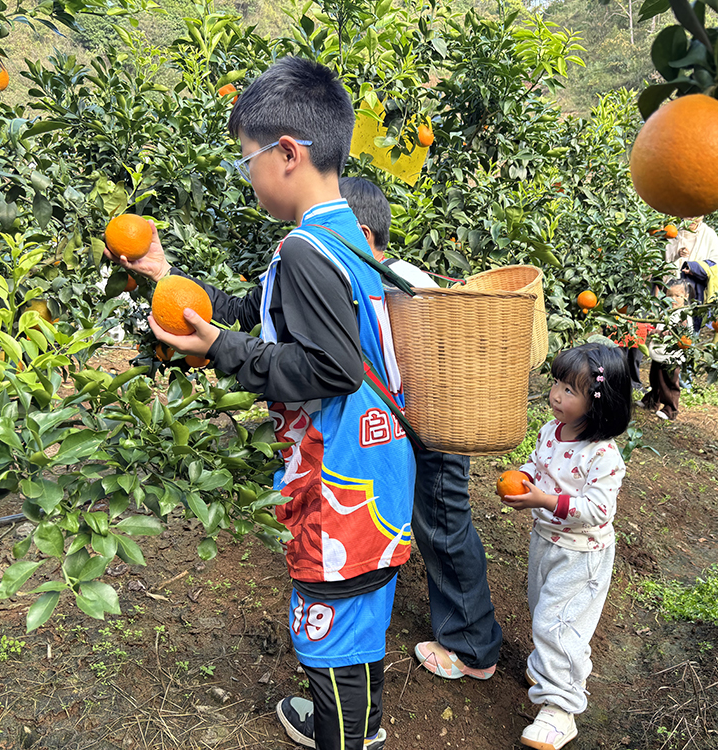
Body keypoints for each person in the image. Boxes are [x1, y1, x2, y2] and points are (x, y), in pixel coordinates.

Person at [104, 58, 414, 750]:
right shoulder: (342, 236)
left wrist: (221, 349)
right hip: (374, 472)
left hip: (340, 488)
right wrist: (167, 278)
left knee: (331, 642)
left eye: (247, 160)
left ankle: (345, 734)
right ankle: (359, 726)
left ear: (288, 153)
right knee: (356, 625)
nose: (246, 176)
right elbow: (255, 310)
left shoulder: (306, 249)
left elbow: (328, 370)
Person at [338, 175, 503, 680]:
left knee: (444, 524)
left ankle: (472, 649)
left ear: (362, 236)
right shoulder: (390, 276)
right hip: (420, 424)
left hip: (437, 424)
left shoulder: (400, 284)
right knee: (436, 519)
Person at [499, 342, 631, 750]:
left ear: (598, 402)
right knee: (544, 612)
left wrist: (544, 500)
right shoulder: (550, 432)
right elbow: (537, 463)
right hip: (545, 540)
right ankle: (548, 669)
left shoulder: (602, 455)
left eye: (569, 390)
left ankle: (561, 708)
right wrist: (523, 477)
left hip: (582, 554)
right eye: (556, 383)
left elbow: (598, 510)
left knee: (558, 625)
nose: (556, 394)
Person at [640, 280, 691, 421]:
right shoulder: (665, 311)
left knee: (669, 384)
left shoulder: (684, 315)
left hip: (672, 357)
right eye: (670, 295)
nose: (673, 299)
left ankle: (670, 409)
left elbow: (676, 333)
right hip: (659, 354)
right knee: (655, 380)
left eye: (678, 296)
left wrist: (657, 333)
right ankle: (651, 402)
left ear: (685, 296)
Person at [664, 216, 718, 332]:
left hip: (695, 294)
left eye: (696, 216)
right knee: (667, 327)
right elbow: (664, 262)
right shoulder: (673, 232)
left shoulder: (708, 235)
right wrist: (677, 254)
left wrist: (694, 268)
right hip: (673, 292)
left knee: (690, 331)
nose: (692, 219)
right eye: (688, 215)